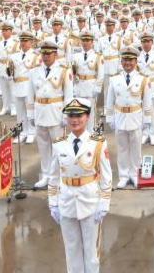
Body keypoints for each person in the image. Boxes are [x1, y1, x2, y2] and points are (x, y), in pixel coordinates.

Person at [49, 98, 112, 273]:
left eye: (79, 115)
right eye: (70, 116)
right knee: (72, 251)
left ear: (88, 116)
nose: (74, 120)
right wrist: (53, 203)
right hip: (66, 201)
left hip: (90, 201)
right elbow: (53, 177)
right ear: (66, 118)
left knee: (91, 254)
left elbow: (107, 177)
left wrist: (104, 204)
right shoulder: (58, 144)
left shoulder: (98, 143)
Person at [105, 46, 153, 188]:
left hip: (135, 118)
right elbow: (109, 101)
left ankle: (135, 174)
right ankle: (124, 175)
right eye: (125, 60)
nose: (127, 63)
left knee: (136, 149)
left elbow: (147, 102)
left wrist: (147, 120)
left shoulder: (143, 79)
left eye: (130, 60)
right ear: (121, 61)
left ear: (136, 61)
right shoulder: (115, 79)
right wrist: (110, 119)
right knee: (122, 149)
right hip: (120, 118)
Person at [28, 40, 74, 188]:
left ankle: (59, 175)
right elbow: (30, 95)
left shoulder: (64, 70)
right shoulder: (34, 71)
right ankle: (46, 175)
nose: (46, 56)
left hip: (56, 114)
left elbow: (68, 95)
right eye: (44, 53)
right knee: (43, 147)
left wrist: (66, 115)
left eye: (49, 54)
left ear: (55, 54)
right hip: (40, 112)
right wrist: (30, 114)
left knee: (59, 148)